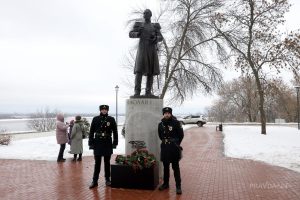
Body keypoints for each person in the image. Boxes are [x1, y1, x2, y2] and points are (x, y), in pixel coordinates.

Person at [129, 9, 163, 97]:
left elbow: (160, 37)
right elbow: (131, 34)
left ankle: (148, 92)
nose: (144, 15)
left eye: (146, 13)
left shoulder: (155, 26)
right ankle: (137, 92)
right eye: (144, 13)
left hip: (151, 49)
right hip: (142, 49)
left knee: (151, 71)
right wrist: (138, 33)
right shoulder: (139, 25)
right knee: (139, 70)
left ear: (150, 15)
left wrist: (155, 38)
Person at [88, 105, 118, 188]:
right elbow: (91, 132)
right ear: (100, 110)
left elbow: (115, 132)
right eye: (102, 109)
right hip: (98, 143)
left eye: (105, 109)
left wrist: (115, 143)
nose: (104, 111)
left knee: (107, 162)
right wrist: (91, 143)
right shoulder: (95, 119)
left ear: (107, 110)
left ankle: (108, 179)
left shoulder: (111, 119)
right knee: (97, 163)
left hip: (107, 142)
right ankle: (95, 180)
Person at [158, 107, 184, 195]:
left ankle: (178, 186)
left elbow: (181, 135)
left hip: (174, 148)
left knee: (175, 167)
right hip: (165, 148)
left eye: (168, 113)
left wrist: (176, 143)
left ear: (171, 114)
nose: (167, 114)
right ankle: (166, 184)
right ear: (163, 114)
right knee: (165, 167)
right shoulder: (160, 124)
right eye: (165, 113)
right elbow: (160, 136)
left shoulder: (176, 123)